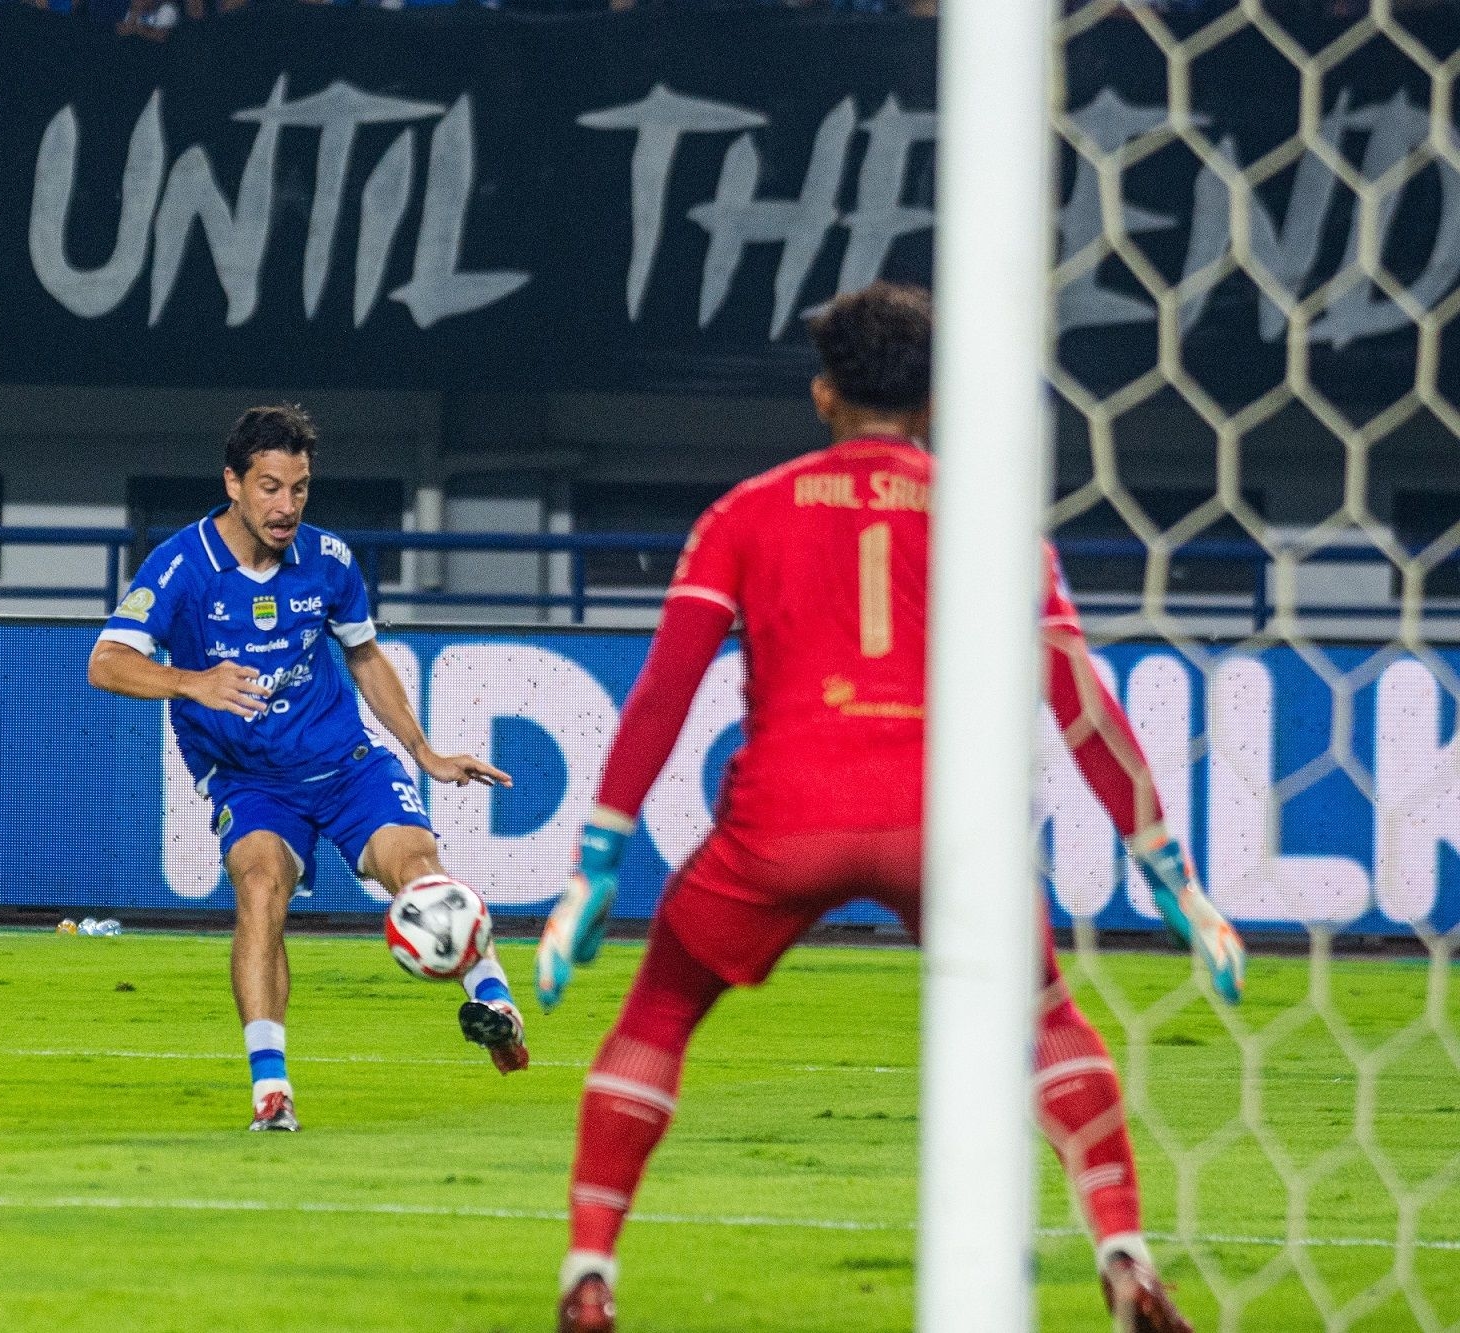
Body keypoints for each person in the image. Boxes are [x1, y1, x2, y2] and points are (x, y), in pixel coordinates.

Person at [535, 283, 1245, 1333]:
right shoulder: (989, 516)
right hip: (942, 824)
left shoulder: (743, 512)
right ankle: (1123, 1251)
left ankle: (589, 1271)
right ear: (933, 401)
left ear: (823, 394)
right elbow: (1080, 701)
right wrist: (1171, 874)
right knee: (1046, 1015)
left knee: (660, 1012)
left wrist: (596, 858)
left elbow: (663, 690)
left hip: (782, 819)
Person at [88, 403, 527, 1133]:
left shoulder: (328, 560)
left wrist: (423, 750)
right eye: (269, 487)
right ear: (233, 483)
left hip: (346, 765)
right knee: (260, 888)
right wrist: (192, 681)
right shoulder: (181, 566)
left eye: (298, 489)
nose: (286, 506)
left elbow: (364, 655)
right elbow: (106, 662)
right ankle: (272, 1091)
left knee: (418, 867)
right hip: (250, 781)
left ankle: (497, 1006)